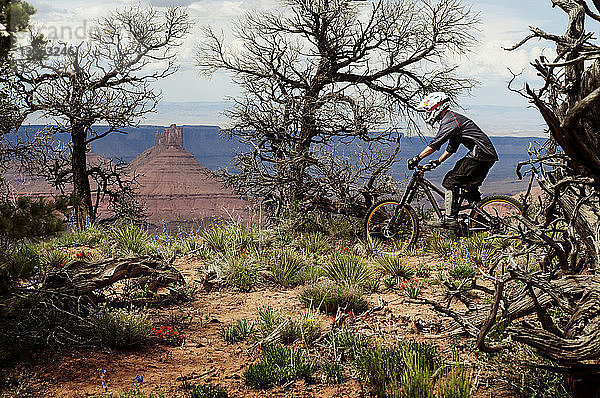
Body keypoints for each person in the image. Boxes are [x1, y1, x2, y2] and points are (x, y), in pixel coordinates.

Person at [407, 92, 498, 227]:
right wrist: (438, 161)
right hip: (486, 156)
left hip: (479, 155)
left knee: (451, 180)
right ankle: (481, 221)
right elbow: (452, 147)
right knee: (469, 189)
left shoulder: (450, 120)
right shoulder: (454, 119)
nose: (428, 113)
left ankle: (450, 218)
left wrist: (417, 158)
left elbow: (435, 144)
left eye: (428, 110)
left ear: (436, 107)